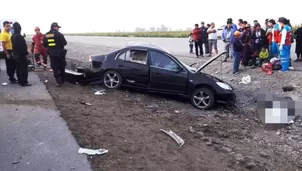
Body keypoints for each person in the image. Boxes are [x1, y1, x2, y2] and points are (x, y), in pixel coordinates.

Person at [43, 22, 67, 87]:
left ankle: (58, 81)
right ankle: (62, 80)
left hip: (52, 54)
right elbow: (65, 43)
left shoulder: (46, 35)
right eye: (58, 27)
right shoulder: (59, 34)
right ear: (54, 27)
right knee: (62, 67)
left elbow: (45, 44)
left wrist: (51, 45)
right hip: (60, 54)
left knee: (55, 68)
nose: (58, 29)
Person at [11, 22, 31, 86]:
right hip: (21, 55)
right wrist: (26, 53)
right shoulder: (19, 36)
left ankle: (20, 81)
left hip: (15, 55)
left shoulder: (13, 36)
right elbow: (22, 47)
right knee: (23, 69)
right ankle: (24, 82)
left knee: (18, 69)